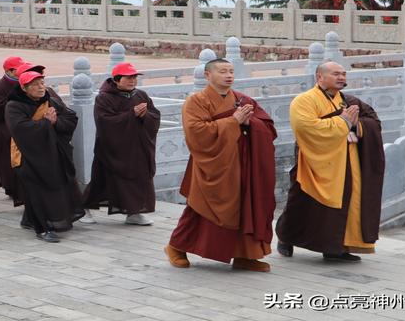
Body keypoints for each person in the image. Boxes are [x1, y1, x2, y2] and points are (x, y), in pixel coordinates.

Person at [165, 59, 277, 272]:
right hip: (213, 164)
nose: (229, 75)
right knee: (201, 207)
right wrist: (233, 121)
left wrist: (249, 123)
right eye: (223, 71)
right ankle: (175, 247)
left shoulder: (243, 99)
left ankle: (246, 255)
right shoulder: (196, 101)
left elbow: (267, 127)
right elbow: (197, 132)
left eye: (231, 71)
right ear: (207, 75)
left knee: (247, 206)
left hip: (244, 163)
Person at [276, 61, 385, 262]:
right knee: (302, 203)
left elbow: (373, 122)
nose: (341, 77)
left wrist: (357, 126)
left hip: (346, 160)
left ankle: (336, 247)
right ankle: (285, 236)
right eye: (336, 73)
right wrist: (342, 122)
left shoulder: (349, 101)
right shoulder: (304, 100)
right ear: (319, 77)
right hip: (314, 161)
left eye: (343, 73)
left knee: (347, 202)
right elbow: (306, 127)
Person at [6, 70, 84, 243]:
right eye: (35, 85)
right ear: (24, 88)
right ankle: (42, 228)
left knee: (58, 186)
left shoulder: (51, 101)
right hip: (26, 155)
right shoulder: (14, 106)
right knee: (36, 191)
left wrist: (56, 122)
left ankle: (29, 220)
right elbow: (20, 129)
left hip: (53, 154)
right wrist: (46, 123)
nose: (41, 87)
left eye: (42, 83)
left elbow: (70, 117)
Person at [83, 63, 161, 226]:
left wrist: (145, 115)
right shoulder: (104, 97)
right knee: (102, 181)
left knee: (140, 180)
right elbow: (105, 122)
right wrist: (131, 115)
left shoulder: (141, 95)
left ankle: (134, 212)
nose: (132, 81)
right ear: (116, 80)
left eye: (134, 77)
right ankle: (84, 208)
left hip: (137, 148)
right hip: (112, 149)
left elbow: (155, 116)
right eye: (128, 77)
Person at [0, 56, 26, 201]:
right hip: (5, 129)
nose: (23, 71)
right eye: (19, 69)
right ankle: (11, 188)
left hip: (22, 127)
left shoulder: (26, 83)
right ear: (9, 71)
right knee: (7, 162)